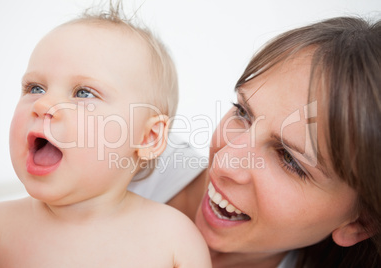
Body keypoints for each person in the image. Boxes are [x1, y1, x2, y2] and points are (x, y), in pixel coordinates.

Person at [129, 16, 381, 267]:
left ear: (359, 224)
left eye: (289, 159)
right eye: (242, 112)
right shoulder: (123, 165)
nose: (224, 162)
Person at [0, 4, 211, 268]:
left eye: (83, 93)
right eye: (35, 87)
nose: (42, 105)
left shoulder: (174, 241)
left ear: (148, 138)